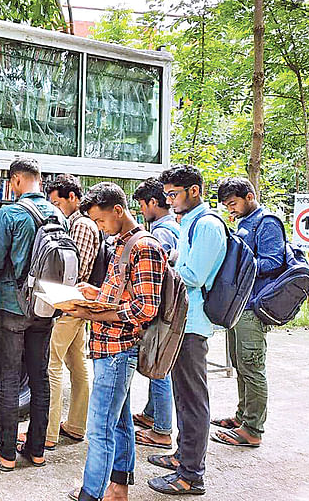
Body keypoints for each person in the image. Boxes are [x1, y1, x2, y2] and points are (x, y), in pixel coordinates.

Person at [66, 182, 166, 501]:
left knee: (100, 429)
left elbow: (145, 308)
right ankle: (118, 486)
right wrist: (95, 294)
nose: (98, 227)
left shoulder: (143, 246)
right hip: (108, 348)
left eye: (100, 221)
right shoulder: (122, 242)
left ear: (118, 211)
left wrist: (91, 314)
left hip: (118, 350)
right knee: (119, 421)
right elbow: (125, 293)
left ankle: (91, 494)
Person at [0, 157, 65, 471]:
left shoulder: (10, 213)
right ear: (39, 180)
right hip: (46, 305)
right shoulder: (58, 214)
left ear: (15, 181)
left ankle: (6, 453)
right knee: (40, 377)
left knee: (10, 379)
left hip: (13, 305)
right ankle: (37, 450)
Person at [147, 165, 227, 496]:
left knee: (193, 399)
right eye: (166, 195)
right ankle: (182, 456)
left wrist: (165, 266)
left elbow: (193, 275)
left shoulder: (207, 226)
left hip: (193, 325)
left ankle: (192, 475)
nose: (169, 201)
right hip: (183, 320)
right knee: (182, 394)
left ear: (194, 191)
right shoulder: (190, 224)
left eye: (173, 194)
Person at [210, 177, 284, 448]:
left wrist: (239, 263)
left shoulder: (268, 222)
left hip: (253, 306)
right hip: (237, 305)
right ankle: (242, 416)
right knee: (240, 363)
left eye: (233, 203)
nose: (230, 209)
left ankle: (253, 428)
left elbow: (273, 261)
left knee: (252, 366)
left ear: (249, 196)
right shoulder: (244, 222)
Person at [38, 174, 96, 450]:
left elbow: (76, 272)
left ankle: (48, 432)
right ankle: (75, 425)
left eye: (57, 202)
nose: (55, 208)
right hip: (77, 306)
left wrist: (58, 301)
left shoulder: (81, 224)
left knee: (53, 364)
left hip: (70, 304)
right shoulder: (77, 222)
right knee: (77, 362)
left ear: (72, 197)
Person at [131, 178, 180, 451]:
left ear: (153, 202)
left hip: (161, 310)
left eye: (141, 204)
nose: (141, 210)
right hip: (170, 308)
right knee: (157, 364)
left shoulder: (161, 233)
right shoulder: (173, 227)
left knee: (158, 367)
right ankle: (152, 415)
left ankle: (162, 430)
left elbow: (156, 279)